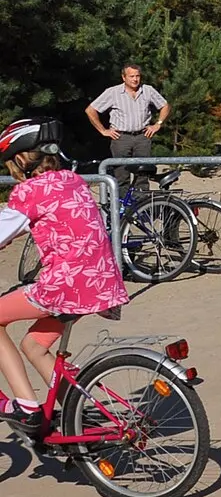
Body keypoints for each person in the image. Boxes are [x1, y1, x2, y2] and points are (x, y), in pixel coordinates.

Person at [0, 119, 130, 427]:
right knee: (34, 346)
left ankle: (27, 406)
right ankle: (82, 417)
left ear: (20, 158)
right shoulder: (71, 181)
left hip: (67, 284)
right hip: (100, 281)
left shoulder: (29, 191)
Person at [86, 64, 168, 186]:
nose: (135, 79)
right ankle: (123, 204)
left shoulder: (148, 90)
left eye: (137, 76)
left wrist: (158, 124)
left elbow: (164, 106)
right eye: (131, 76)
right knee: (121, 175)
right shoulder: (113, 92)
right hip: (121, 138)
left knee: (142, 176)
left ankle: (141, 203)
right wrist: (103, 130)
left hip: (142, 137)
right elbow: (91, 110)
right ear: (124, 78)